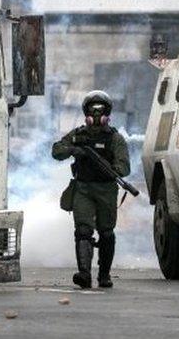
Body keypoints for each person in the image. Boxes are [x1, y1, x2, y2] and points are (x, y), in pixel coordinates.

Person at [52, 91, 130, 289]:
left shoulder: (115, 139)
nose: (96, 115)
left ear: (107, 113)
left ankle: (104, 274)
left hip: (106, 190)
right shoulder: (78, 135)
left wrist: (109, 169)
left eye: (100, 111)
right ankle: (84, 274)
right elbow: (57, 150)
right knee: (83, 230)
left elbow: (124, 167)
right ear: (86, 113)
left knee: (106, 233)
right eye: (92, 111)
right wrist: (74, 150)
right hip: (83, 188)